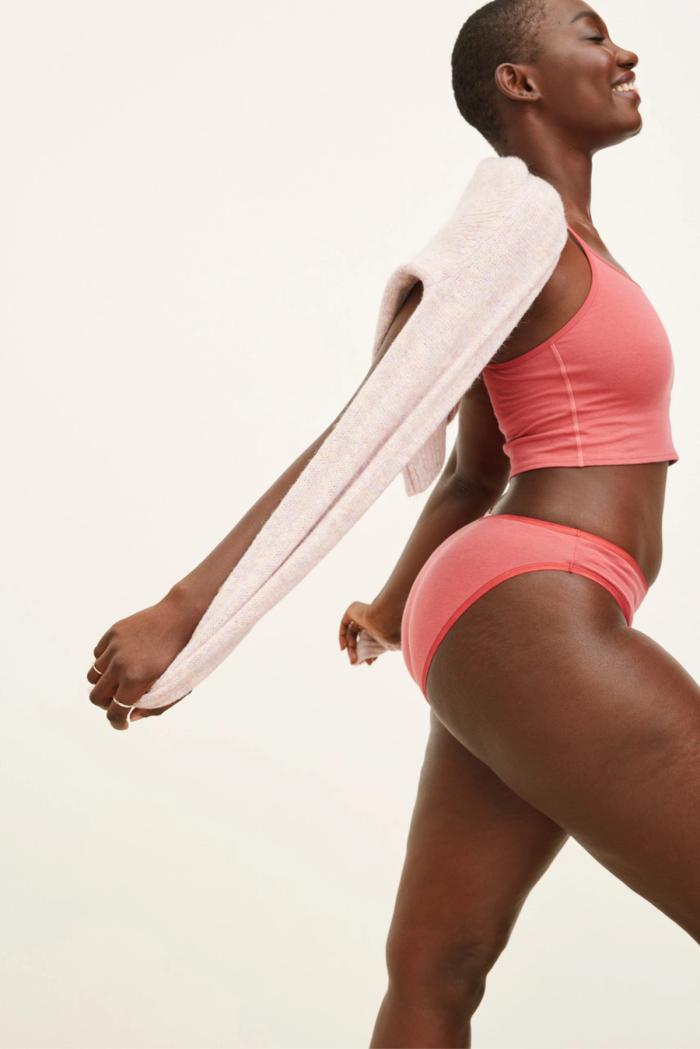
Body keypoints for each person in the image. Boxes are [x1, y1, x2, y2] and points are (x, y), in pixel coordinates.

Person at [85, 0, 698, 1043]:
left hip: (494, 613)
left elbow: (474, 469)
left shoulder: (546, 248)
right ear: (520, 82)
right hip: (534, 610)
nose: (624, 49)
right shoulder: (515, 231)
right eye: (592, 35)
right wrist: (185, 610)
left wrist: (388, 605)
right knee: (437, 970)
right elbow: (365, 430)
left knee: (436, 972)